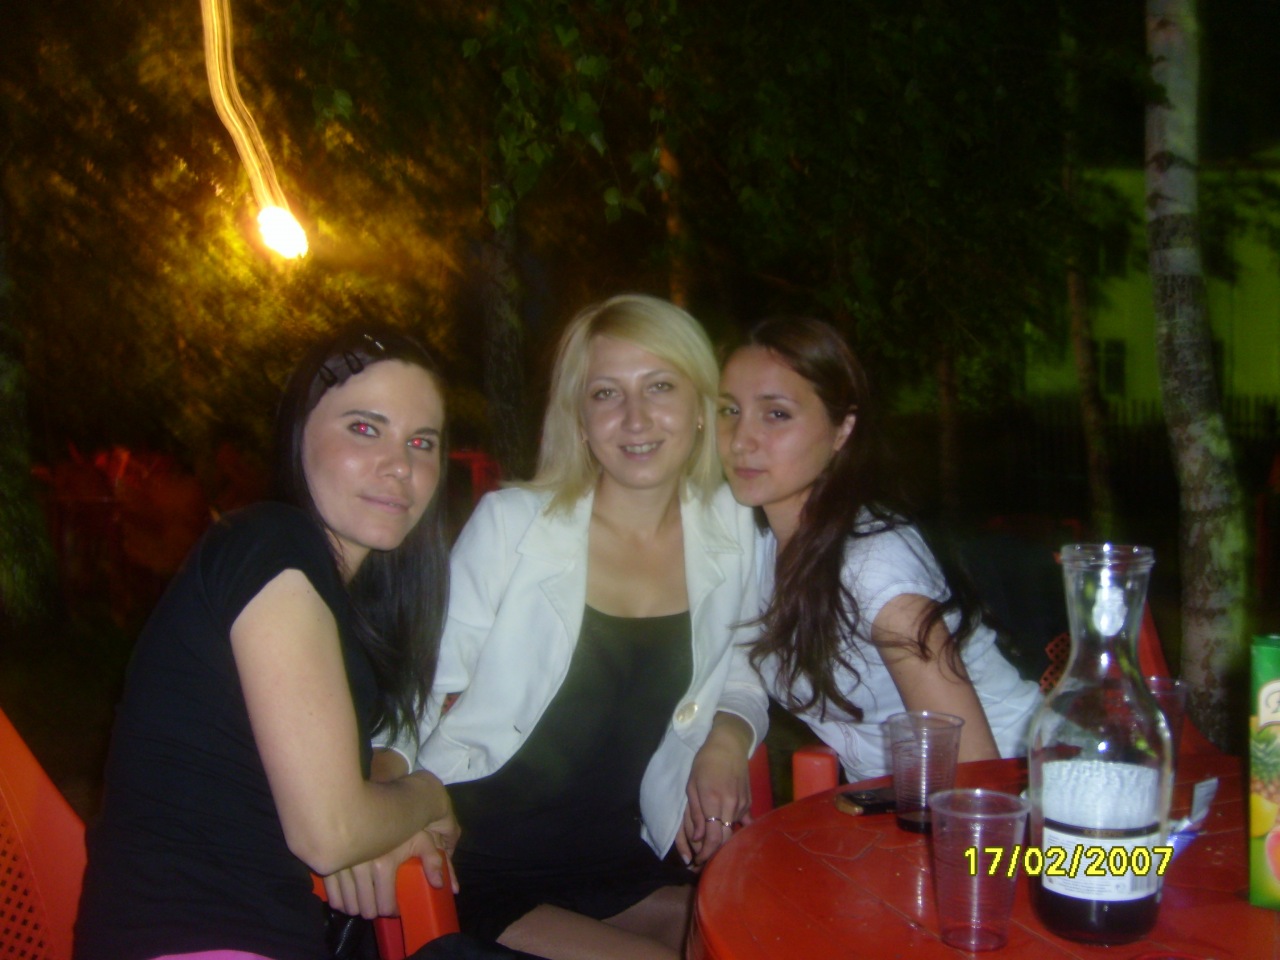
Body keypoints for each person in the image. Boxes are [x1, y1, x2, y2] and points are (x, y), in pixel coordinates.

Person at [379, 294, 767, 960]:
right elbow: (414, 690)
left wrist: (727, 739)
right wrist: (383, 803)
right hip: (481, 858)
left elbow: (743, 667)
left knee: (757, 936)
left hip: (615, 856)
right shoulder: (513, 525)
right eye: (606, 393)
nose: (635, 417)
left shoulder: (735, 529)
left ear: (702, 407)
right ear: (579, 420)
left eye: (661, 387)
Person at [74, 328, 458, 960]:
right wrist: (429, 795)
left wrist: (381, 794)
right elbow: (330, 832)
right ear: (299, 435)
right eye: (366, 429)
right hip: (190, 940)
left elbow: (335, 789)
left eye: (422, 442)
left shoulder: (339, 599)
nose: (400, 465)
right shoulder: (273, 545)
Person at [716, 317, 1041, 783]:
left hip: (1024, 792)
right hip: (895, 800)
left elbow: (973, 773)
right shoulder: (759, 546)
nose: (740, 441)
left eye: (776, 414)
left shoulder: (874, 567)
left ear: (842, 430)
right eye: (730, 410)